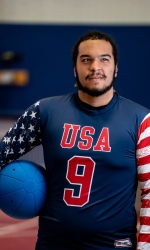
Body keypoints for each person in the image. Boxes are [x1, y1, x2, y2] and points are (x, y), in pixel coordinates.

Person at [0, 30, 149, 250]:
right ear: (74, 69)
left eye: (104, 59)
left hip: (114, 245)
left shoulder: (141, 121)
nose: (95, 67)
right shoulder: (45, 111)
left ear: (116, 68)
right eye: (86, 59)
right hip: (54, 244)